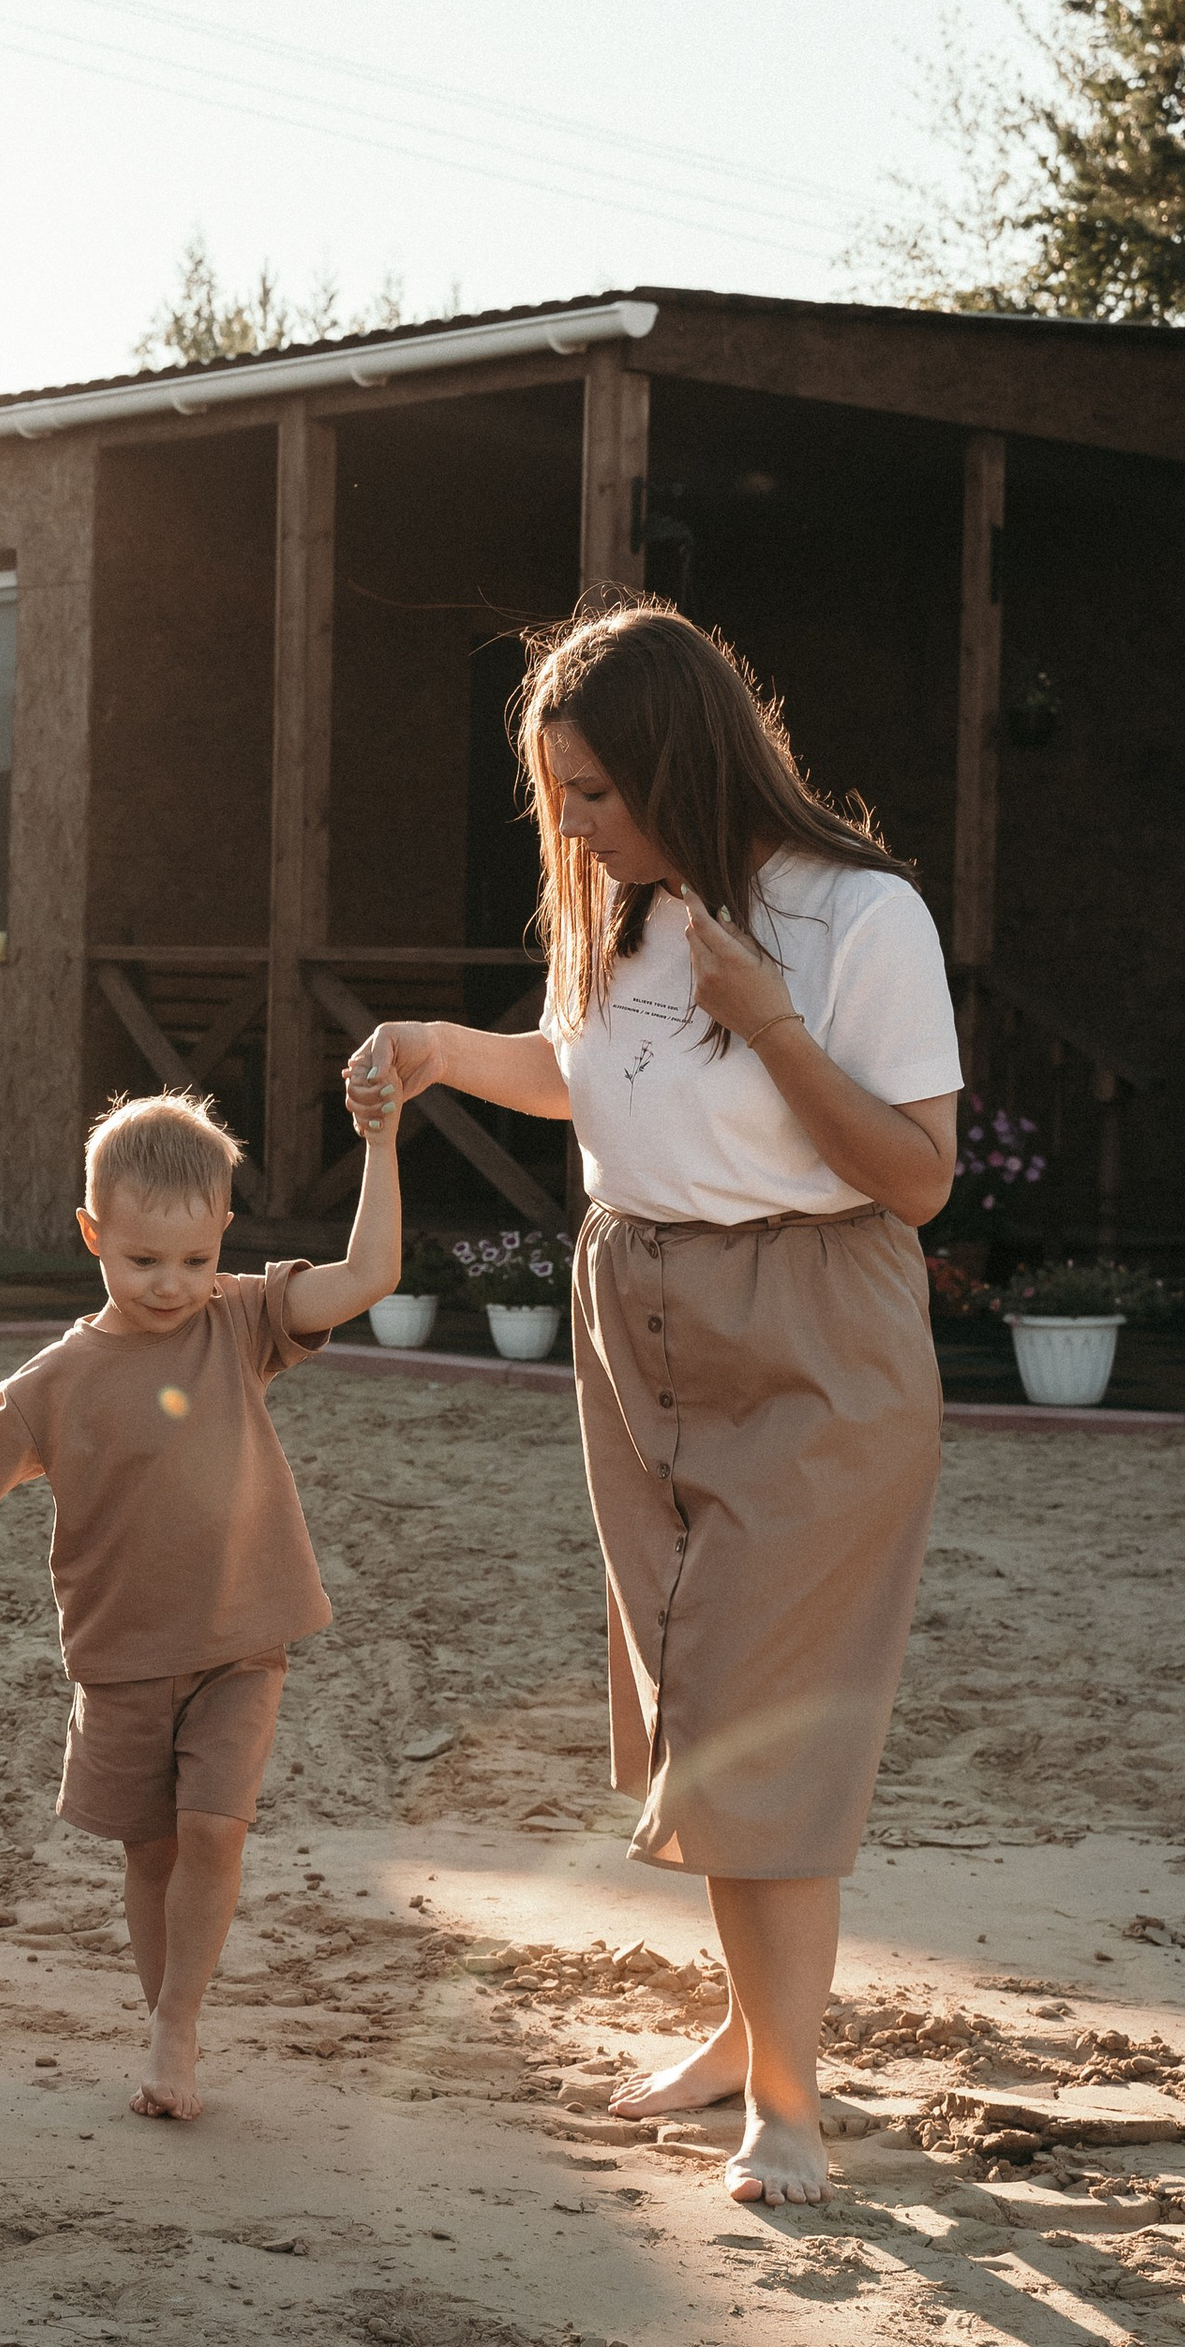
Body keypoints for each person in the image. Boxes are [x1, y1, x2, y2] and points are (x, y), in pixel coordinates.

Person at [344, 598, 960, 2208]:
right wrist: (434, 1050)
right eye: (560, 797)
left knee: (769, 1719)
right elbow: (585, 1072)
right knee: (698, 1702)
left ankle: (793, 2108)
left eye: (597, 797)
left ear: (686, 764)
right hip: (638, 1319)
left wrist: (766, 1018)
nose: (576, 828)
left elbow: (916, 1175)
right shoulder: (620, 908)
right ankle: (748, 2032)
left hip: (814, 1329)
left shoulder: (856, 920)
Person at [0, 1081, 400, 2122]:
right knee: (149, 1851)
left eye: (194, 1259)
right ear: (91, 1233)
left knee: (213, 1829)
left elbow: (371, 1274)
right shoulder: (58, 1378)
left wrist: (379, 1140)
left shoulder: (238, 1321)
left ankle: (177, 2025)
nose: (171, 1284)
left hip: (242, 1640)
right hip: (123, 1656)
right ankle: (163, 2022)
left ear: (224, 1236)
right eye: (143, 1260)